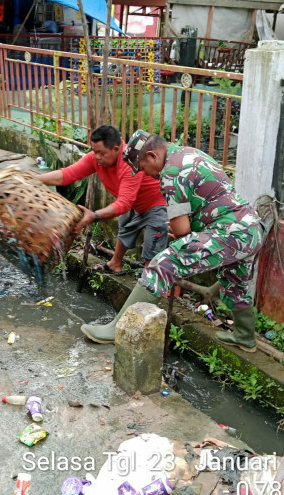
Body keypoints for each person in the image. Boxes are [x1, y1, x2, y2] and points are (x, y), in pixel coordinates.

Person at [82, 130, 265, 352]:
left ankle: (118, 329)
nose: (146, 175)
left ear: (151, 156)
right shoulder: (188, 153)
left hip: (230, 232)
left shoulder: (170, 173)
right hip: (250, 229)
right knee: (234, 282)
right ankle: (245, 337)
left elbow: (182, 231)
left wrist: (178, 238)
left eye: (142, 168)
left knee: (162, 265)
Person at [35, 124, 168, 277]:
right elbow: (68, 174)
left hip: (156, 203)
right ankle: (115, 264)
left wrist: (94, 215)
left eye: (101, 153)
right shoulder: (96, 159)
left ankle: (149, 283)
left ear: (116, 149)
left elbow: (124, 204)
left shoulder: (129, 164)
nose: (96, 156)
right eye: (94, 151)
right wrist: (35, 179)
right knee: (125, 228)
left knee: (152, 248)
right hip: (134, 202)